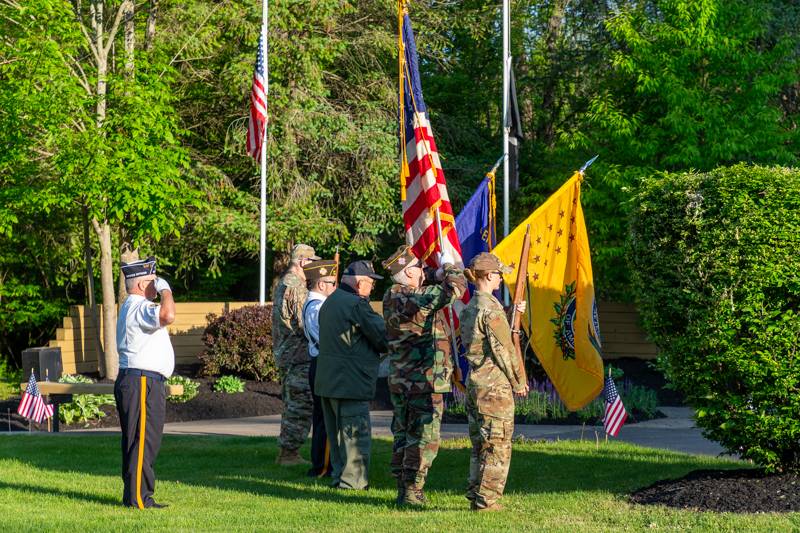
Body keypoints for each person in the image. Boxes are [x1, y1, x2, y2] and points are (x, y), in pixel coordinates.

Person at [381, 245, 466, 506]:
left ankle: (402, 485)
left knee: (404, 434)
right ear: (408, 274)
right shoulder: (413, 299)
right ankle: (412, 489)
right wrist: (450, 267)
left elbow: (425, 285)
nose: (422, 272)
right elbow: (456, 290)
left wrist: (432, 272)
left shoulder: (392, 296)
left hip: (402, 380)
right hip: (423, 381)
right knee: (424, 437)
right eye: (418, 268)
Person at [460, 252, 528, 512]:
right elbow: (504, 349)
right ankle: (487, 501)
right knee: (497, 446)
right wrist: (518, 380)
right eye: (499, 274)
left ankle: (476, 493)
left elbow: (483, 339)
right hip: (494, 388)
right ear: (489, 275)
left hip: (477, 384)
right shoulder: (490, 309)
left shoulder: (472, 306)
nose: (501, 279)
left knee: (480, 445)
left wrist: (510, 312)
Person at [314, 260, 387, 490]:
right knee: (355, 435)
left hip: (328, 381)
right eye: (370, 283)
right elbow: (382, 336)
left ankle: (339, 477)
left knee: (337, 437)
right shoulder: (356, 304)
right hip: (351, 381)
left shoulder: (330, 301)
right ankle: (353, 482)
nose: (372, 288)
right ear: (358, 282)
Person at [114, 256, 175, 509]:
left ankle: (136, 496)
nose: (156, 285)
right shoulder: (139, 306)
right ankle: (140, 498)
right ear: (141, 285)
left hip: (140, 379)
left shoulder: (132, 306)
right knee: (143, 441)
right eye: (152, 281)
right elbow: (168, 314)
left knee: (140, 440)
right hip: (141, 380)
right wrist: (167, 290)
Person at [272, 244, 320, 466]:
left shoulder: (285, 281)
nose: (315, 266)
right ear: (302, 262)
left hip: (290, 354)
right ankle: (289, 453)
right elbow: (305, 321)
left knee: (292, 403)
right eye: (312, 261)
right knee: (300, 405)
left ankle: (287, 451)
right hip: (298, 354)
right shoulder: (296, 285)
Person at [302, 258, 338, 477]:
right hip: (323, 363)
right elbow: (325, 339)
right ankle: (323, 466)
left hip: (322, 364)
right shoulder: (317, 307)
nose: (335, 287)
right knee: (325, 418)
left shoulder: (319, 304)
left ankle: (323, 463)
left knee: (325, 417)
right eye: (332, 283)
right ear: (321, 284)